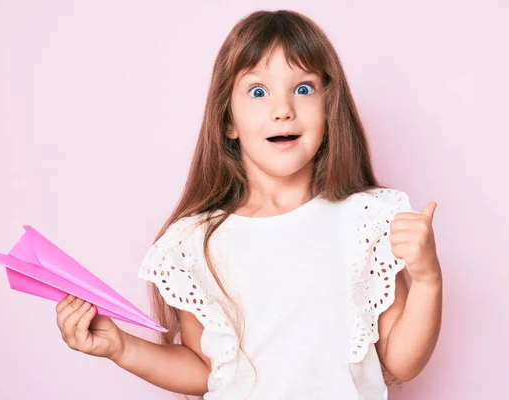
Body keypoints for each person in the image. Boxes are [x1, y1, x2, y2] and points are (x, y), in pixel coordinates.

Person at [55, 9, 442, 400]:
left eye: (304, 88)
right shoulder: (196, 242)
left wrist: (427, 278)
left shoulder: (366, 221)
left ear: (329, 107)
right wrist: (122, 347)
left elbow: (399, 361)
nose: (283, 108)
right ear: (228, 121)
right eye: (259, 92)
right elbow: (205, 369)